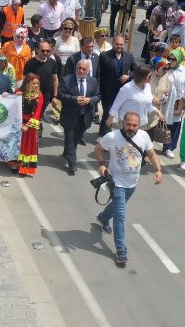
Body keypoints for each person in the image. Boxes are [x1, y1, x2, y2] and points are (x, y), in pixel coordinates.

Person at [95, 111, 162, 267]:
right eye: (128, 124)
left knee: (117, 208)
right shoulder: (112, 137)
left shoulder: (144, 136)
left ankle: (103, 218)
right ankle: (121, 250)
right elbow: (98, 149)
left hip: (132, 183)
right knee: (120, 216)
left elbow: (151, 154)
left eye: (135, 125)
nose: (131, 127)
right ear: (123, 123)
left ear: (139, 125)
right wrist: (101, 164)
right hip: (116, 183)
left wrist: (158, 170)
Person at [58, 59, 101, 175]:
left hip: (85, 117)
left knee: (75, 139)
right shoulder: (67, 80)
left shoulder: (93, 81)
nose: (81, 71)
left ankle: (67, 151)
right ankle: (72, 164)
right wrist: (74, 99)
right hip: (70, 116)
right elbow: (60, 95)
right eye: (79, 68)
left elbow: (97, 96)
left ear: (88, 70)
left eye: (84, 69)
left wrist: (90, 100)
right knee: (70, 138)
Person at [98, 35, 138, 137]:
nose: (119, 46)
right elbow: (98, 73)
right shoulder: (104, 56)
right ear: (113, 44)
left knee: (123, 115)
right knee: (107, 114)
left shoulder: (129, 56)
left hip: (123, 92)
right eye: (117, 44)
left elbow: (136, 70)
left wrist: (129, 76)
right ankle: (105, 136)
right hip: (107, 91)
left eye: (121, 44)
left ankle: (124, 135)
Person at [105, 65, 162, 132]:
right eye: (149, 76)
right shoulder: (127, 88)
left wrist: (157, 112)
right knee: (126, 141)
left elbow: (147, 103)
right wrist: (110, 118)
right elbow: (116, 104)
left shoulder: (148, 87)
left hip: (141, 123)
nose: (151, 78)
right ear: (142, 76)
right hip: (127, 123)